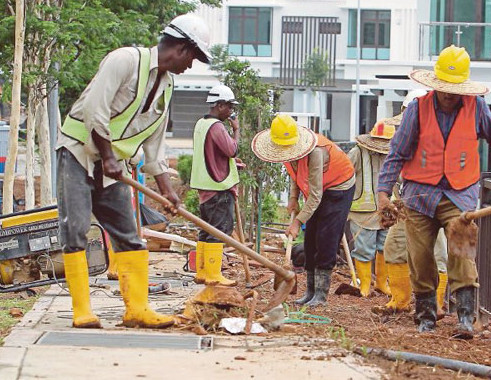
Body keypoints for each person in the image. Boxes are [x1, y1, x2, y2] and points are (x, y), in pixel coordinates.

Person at [56, 14, 211, 329]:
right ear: (181, 48)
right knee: (77, 230)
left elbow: (155, 147)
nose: (191, 66)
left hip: (114, 167)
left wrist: (167, 190)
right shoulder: (125, 60)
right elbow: (93, 109)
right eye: (193, 58)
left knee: (129, 235)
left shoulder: (167, 87)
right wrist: (108, 156)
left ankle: (137, 309)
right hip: (78, 152)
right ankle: (82, 310)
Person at [376, 45, 491, 339]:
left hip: (459, 193)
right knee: (420, 255)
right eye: (445, 88)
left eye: (455, 88)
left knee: (462, 251)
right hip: (420, 194)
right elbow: (397, 153)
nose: (450, 94)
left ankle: (466, 317)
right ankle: (426, 315)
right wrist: (383, 192)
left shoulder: (476, 107)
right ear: (436, 84)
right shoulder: (417, 109)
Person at [252, 114, 355, 307]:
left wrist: (297, 222)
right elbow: (295, 174)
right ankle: (309, 291)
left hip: (338, 187)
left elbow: (315, 195)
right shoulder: (284, 149)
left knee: (326, 238)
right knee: (310, 240)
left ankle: (321, 295)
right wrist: (293, 199)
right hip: (317, 188)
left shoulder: (315, 152)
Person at [371, 90, 450, 316]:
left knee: (435, 253)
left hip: (432, 206)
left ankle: (436, 304)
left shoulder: (436, 138)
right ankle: (400, 301)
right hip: (407, 205)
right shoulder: (406, 138)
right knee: (394, 247)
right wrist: (392, 200)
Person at [191, 85, 241, 287]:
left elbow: (210, 153)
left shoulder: (200, 124)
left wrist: (230, 165)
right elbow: (231, 150)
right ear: (220, 105)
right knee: (219, 230)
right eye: (229, 106)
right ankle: (213, 274)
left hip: (205, 184)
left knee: (206, 229)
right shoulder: (217, 127)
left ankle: (203, 272)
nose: (231, 112)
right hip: (218, 187)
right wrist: (236, 130)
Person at [347, 120, 393, 297]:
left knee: (386, 247)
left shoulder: (392, 154)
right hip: (362, 212)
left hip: (387, 211)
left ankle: (382, 283)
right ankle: (365, 284)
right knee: (364, 248)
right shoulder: (357, 153)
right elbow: (345, 176)